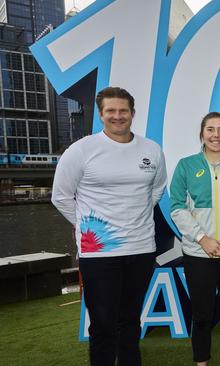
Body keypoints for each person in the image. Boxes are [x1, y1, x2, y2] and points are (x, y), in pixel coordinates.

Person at [51, 86, 166, 365]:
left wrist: (133, 218)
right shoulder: (81, 150)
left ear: (132, 113)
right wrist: (88, 230)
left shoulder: (151, 149)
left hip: (141, 249)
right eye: (111, 111)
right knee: (102, 325)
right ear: (101, 115)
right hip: (99, 254)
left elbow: (156, 190)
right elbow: (61, 197)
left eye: (123, 110)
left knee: (130, 323)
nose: (117, 116)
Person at [169, 112, 220, 366]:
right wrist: (202, 238)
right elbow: (176, 207)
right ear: (202, 134)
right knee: (202, 315)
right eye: (210, 130)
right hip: (198, 254)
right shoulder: (186, 165)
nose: (216, 135)